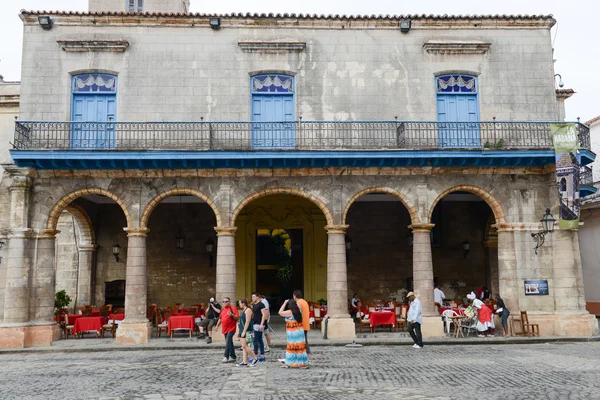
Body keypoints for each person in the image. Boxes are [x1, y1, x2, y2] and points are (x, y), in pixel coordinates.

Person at [278, 298, 309, 368]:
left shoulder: (290, 312)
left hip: (293, 332)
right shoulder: (299, 311)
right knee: (300, 347)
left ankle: (292, 361)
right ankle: (302, 361)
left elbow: (280, 312)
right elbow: (299, 305)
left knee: (292, 347)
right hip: (299, 332)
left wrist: (285, 303)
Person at [215, 297, 239, 363]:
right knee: (229, 342)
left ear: (229, 302)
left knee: (228, 340)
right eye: (223, 301)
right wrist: (217, 326)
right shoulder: (222, 309)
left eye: (226, 301)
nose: (225, 302)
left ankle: (226, 356)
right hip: (225, 328)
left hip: (231, 328)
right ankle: (233, 356)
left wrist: (232, 315)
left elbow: (237, 318)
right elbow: (220, 318)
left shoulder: (233, 308)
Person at [237, 298, 258, 367]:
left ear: (243, 303)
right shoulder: (244, 310)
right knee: (244, 347)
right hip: (243, 330)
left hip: (247, 331)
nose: (239, 304)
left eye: (240, 303)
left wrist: (244, 331)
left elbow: (247, 321)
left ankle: (255, 358)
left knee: (244, 346)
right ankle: (244, 361)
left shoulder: (248, 310)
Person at [293, 289, 311, 361]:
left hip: (301, 325)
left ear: (295, 296)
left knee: (302, 341)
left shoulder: (298, 302)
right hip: (305, 324)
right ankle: (307, 355)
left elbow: (298, 314)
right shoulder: (304, 302)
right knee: (305, 340)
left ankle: (306, 355)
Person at [251, 292, 268, 362]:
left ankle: (255, 355)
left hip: (259, 324)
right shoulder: (254, 305)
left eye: (254, 297)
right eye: (252, 297)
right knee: (260, 340)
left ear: (258, 297)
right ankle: (262, 355)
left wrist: (261, 324)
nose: (253, 298)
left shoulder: (261, 304)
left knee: (256, 340)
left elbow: (264, 314)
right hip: (255, 323)